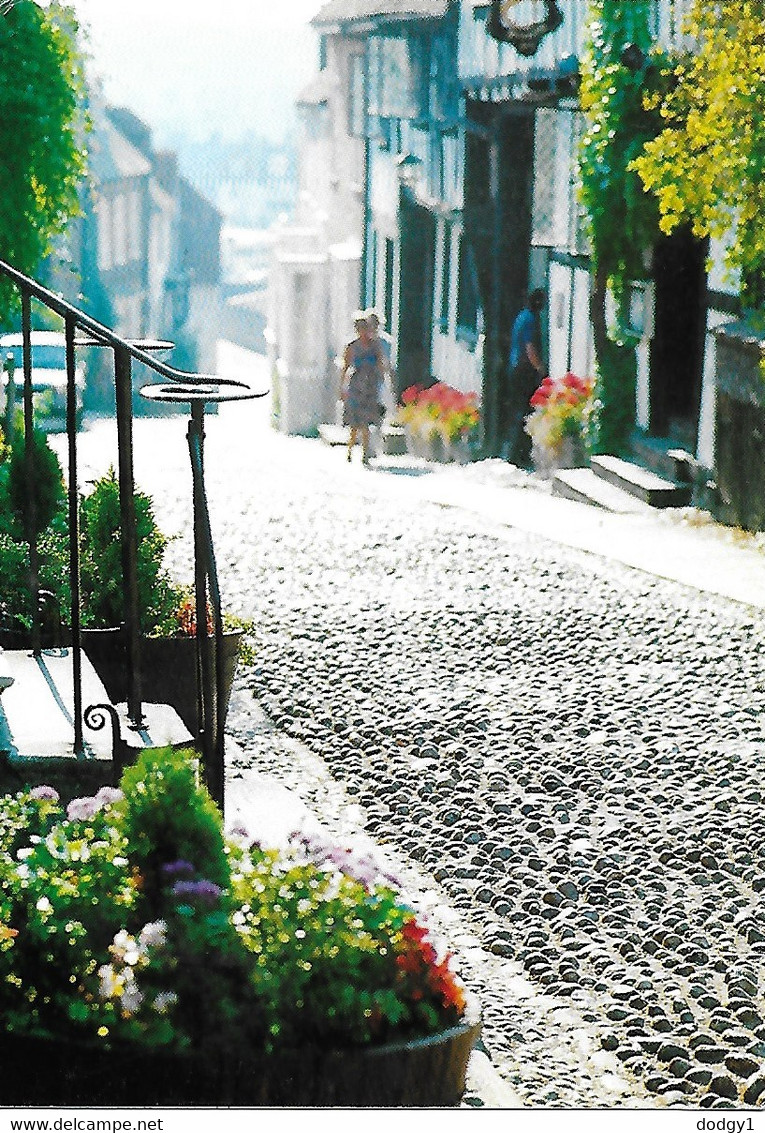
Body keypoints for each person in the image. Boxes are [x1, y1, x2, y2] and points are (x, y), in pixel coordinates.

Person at [505, 288, 547, 466]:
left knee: (518, 411)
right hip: (524, 371)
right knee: (525, 412)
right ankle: (519, 455)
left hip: (514, 368)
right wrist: (540, 367)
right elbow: (530, 347)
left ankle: (516, 453)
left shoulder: (521, 316)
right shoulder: (531, 319)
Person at [339, 312, 385, 466]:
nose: (363, 331)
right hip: (356, 386)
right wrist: (342, 388)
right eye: (360, 329)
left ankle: (365, 452)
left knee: (366, 422)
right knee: (354, 422)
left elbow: (380, 364)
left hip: (370, 386)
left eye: (365, 328)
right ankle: (350, 450)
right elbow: (345, 367)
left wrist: (380, 381)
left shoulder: (375, 346)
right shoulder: (352, 346)